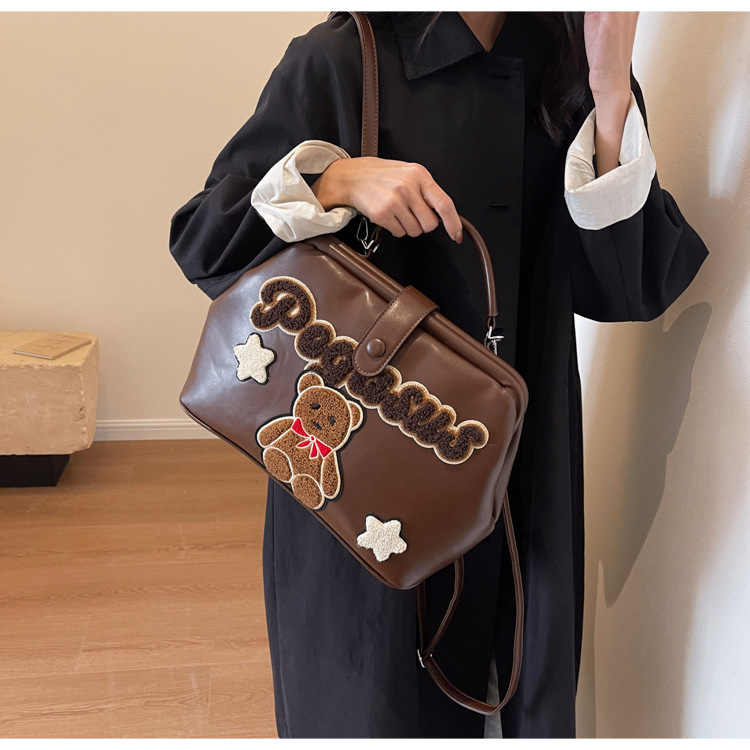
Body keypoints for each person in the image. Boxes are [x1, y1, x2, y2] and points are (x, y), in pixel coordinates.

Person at [169, 11, 709, 739]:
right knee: (365, 697)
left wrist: (611, 88)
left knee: (519, 680)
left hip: (519, 460)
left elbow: (627, 286)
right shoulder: (343, 56)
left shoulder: (570, 66)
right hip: (359, 458)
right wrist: (334, 180)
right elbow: (204, 237)